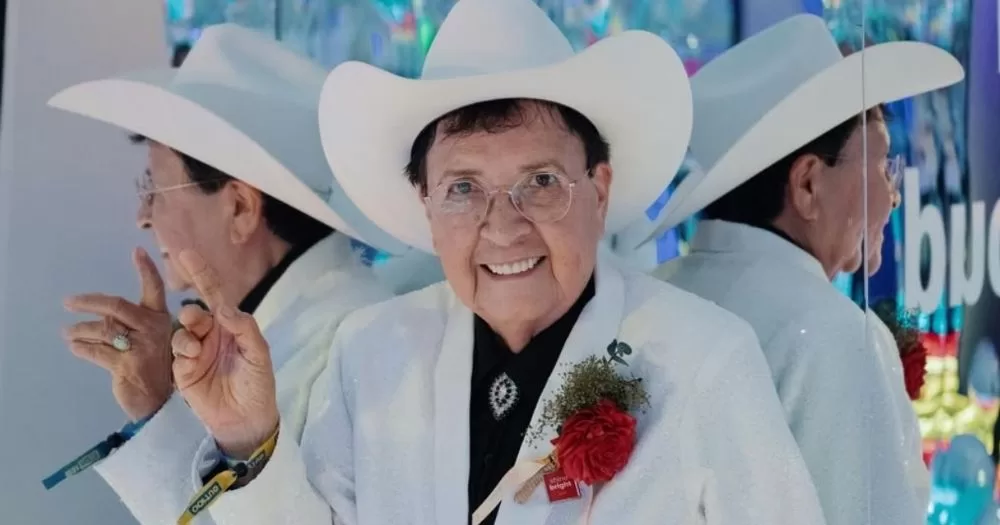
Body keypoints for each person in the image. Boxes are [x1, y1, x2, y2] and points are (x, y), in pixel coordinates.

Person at [167, 1, 827, 524]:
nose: (504, 226)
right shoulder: (372, 352)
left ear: (599, 191)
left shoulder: (704, 359)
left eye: (540, 181)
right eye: (463, 189)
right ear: (426, 204)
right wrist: (245, 434)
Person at [45, 24, 407, 524]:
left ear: (239, 208)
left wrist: (217, 431)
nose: (143, 216)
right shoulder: (300, 322)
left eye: (155, 187)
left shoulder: (360, 340)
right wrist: (158, 404)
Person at [650, 14, 964, 525]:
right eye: (883, 167)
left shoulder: (655, 297)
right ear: (808, 186)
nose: (893, 195)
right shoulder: (833, 335)